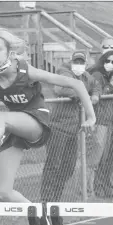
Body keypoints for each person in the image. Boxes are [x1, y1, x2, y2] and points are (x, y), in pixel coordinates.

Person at [0, 28, 96, 225]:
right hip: (14, 127)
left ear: (10, 53)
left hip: (37, 122)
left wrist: (91, 116)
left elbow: (75, 84)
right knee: (3, 192)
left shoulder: (27, 71)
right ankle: (38, 216)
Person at [40, 50, 101, 212]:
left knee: (68, 166)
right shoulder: (64, 71)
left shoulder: (86, 76)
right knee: (53, 164)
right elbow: (60, 89)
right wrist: (83, 95)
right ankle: (46, 200)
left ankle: (55, 199)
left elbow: (96, 85)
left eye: (82, 62)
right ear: (71, 61)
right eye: (77, 62)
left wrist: (94, 95)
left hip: (73, 128)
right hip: (58, 126)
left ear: (86, 64)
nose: (79, 65)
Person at [91, 50, 113, 198]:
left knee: (109, 157)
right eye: (108, 61)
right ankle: (95, 188)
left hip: (110, 121)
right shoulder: (97, 75)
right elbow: (100, 95)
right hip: (101, 121)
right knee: (100, 156)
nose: (110, 64)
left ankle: (106, 186)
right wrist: (110, 85)